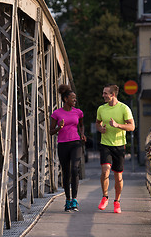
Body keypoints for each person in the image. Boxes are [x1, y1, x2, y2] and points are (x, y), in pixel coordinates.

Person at [95, 84, 135, 213]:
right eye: (103, 93)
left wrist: (117, 125)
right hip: (105, 144)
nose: (103, 95)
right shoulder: (101, 109)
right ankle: (105, 196)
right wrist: (101, 129)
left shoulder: (124, 108)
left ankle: (117, 201)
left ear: (113, 95)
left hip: (119, 145)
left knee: (118, 176)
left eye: (105, 93)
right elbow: (97, 123)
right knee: (105, 170)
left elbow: (132, 127)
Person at [50, 84, 86, 212]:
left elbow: (81, 125)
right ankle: (68, 200)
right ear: (65, 99)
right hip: (63, 144)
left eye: (75, 98)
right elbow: (51, 131)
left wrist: (82, 134)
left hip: (76, 143)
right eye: (73, 98)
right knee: (66, 172)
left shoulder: (78, 112)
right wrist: (59, 127)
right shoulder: (56, 113)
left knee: (75, 170)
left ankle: (75, 199)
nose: (75, 100)